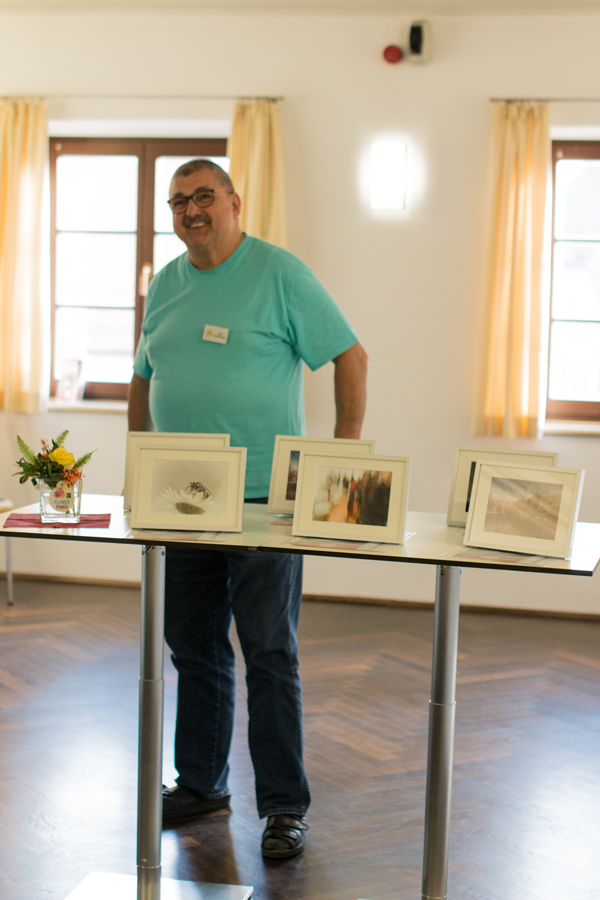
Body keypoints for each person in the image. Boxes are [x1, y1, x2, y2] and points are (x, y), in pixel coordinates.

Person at [128, 158, 367, 859]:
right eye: (178, 202)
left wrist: (339, 459)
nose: (191, 210)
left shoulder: (279, 272)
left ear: (235, 202)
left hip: (265, 498)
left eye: (204, 196)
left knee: (268, 652)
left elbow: (351, 356)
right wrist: (140, 463)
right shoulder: (165, 284)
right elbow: (142, 377)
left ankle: (285, 806)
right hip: (180, 499)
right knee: (194, 649)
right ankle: (201, 783)